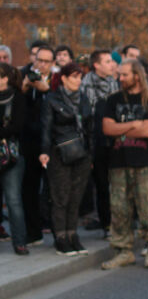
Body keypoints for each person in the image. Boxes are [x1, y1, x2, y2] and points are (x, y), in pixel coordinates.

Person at [100, 59, 148, 270]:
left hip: (146, 162)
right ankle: (123, 252)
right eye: (119, 74)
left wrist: (121, 128)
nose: (120, 78)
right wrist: (133, 124)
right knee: (119, 209)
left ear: (137, 76)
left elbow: (147, 131)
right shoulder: (113, 100)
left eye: (125, 74)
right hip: (118, 162)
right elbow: (107, 129)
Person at [38, 62, 90, 256]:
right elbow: (46, 127)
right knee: (61, 196)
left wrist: (91, 153)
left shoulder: (83, 98)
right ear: (64, 78)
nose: (78, 81)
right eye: (74, 76)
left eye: (80, 77)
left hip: (82, 152)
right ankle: (60, 237)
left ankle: (72, 234)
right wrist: (44, 151)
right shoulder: (52, 99)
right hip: (59, 151)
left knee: (76, 196)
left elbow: (90, 126)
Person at [20, 42, 54, 246]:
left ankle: (58, 230)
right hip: (28, 140)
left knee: (53, 187)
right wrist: (24, 87)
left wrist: (46, 89)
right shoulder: (23, 75)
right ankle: (33, 232)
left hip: (51, 140)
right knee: (29, 187)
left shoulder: (58, 79)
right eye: (39, 60)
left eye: (46, 62)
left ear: (53, 63)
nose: (42, 65)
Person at [81, 50, 119, 233]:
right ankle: (106, 224)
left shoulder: (114, 83)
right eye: (108, 61)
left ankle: (119, 221)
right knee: (102, 185)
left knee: (117, 185)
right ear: (96, 65)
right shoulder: (86, 84)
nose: (112, 64)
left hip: (114, 139)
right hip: (95, 141)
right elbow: (84, 116)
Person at [0, 64, 30, 254]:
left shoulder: (17, 98)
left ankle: (19, 241)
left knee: (13, 200)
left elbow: (18, 126)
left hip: (11, 155)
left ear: (5, 78)